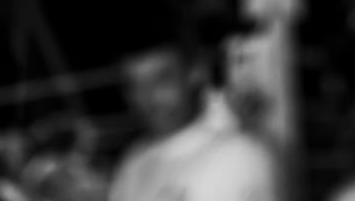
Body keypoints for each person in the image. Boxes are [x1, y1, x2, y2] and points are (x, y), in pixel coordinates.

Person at [108, 25, 281, 201]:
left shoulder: (240, 155)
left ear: (195, 72)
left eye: (161, 79)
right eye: (135, 85)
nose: (148, 98)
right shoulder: (133, 164)